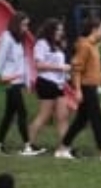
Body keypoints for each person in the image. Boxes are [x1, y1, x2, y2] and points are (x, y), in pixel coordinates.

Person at [58, 19, 101, 160]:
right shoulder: (84, 45)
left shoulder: (94, 47)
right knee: (97, 118)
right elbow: (76, 69)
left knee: (81, 121)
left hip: (91, 87)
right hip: (86, 87)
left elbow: (97, 71)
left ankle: (63, 148)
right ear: (94, 30)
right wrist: (78, 90)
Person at [0, 12, 37, 155]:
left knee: (9, 114)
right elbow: (0, 59)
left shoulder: (19, 40)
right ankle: (27, 146)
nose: (26, 28)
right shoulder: (7, 38)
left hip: (18, 81)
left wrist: (27, 81)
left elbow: (23, 62)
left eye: (27, 25)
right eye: (24, 25)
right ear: (16, 24)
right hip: (9, 81)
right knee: (22, 112)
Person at [27, 19, 71, 152]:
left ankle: (64, 147)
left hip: (58, 84)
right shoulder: (42, 43)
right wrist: (60, 68)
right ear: (50, 30)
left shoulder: (57, 45)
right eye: (58, 30)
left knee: (63, 116)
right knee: (44, 116)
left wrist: (65, 74)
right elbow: (38, 65)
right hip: (46, 82)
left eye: (61, 30)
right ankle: (28, 144)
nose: (60, 32)